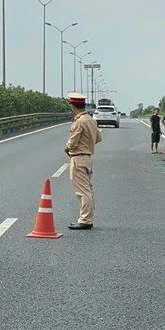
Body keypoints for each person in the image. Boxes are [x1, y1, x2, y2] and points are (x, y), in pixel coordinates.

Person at [64, 92, 101, 230]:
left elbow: (72, 143)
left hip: (78, 157)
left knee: (82, 191)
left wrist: (67, 148)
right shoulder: (91, 120)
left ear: (73, 106)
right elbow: (98, 138)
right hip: (88, 157)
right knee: (88, 190)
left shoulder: (79, 122)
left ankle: (85, 220)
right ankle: (88, 218)